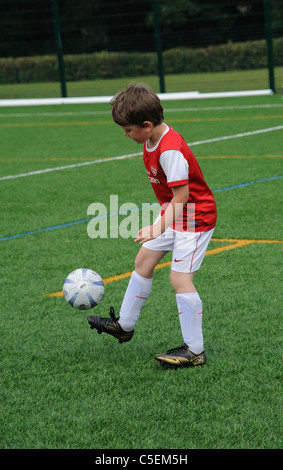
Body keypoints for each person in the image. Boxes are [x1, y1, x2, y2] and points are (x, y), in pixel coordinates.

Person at [87, 84, 217, 368]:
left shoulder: (170, 151)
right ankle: (125, 325)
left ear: (147, 126)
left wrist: (158, 227)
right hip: (175, 213)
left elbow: (182, 196)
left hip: (195, 217)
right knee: (144, 260)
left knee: (180, 279)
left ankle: (195, 351)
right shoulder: (151, 139)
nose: (125, 134)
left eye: (129, 130)